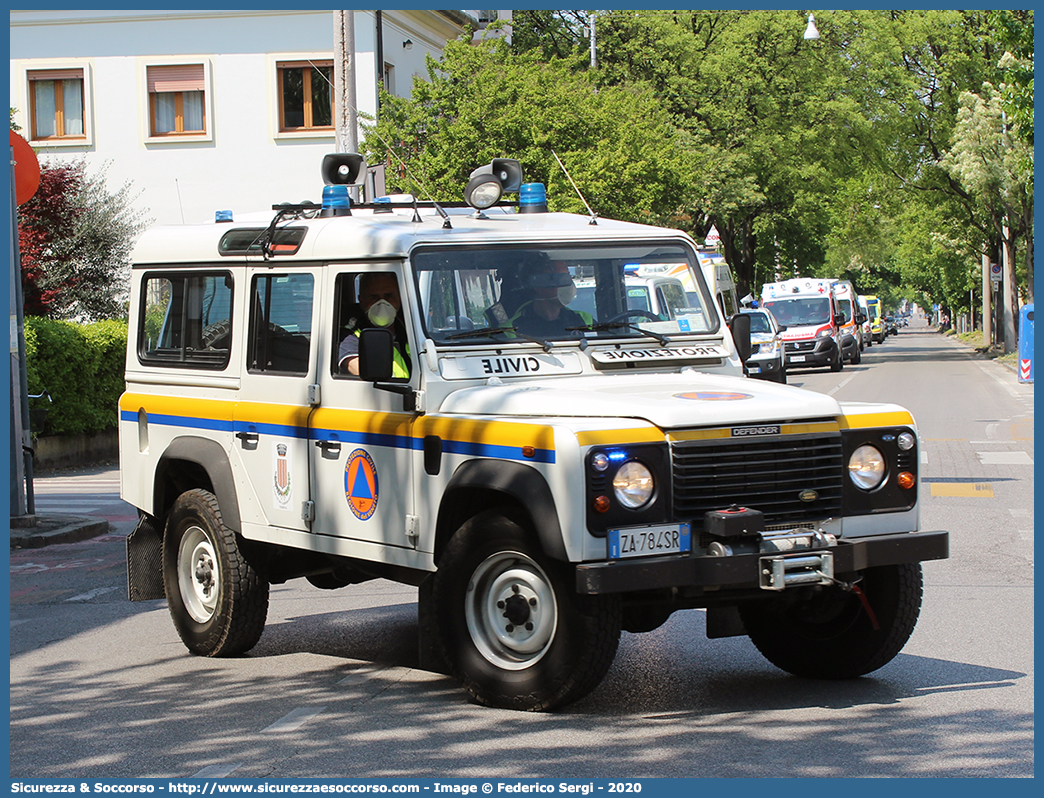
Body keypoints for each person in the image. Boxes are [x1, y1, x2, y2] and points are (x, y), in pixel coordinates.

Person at [338, 273, 411, 378]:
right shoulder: (350, 335)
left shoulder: (411, 329)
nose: (382, 303)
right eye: (374, 297)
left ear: (399, 298)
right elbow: (354, 364)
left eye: (388, 296)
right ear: (362, 302)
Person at [508, 258, 592, 337]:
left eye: (568, 277)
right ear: (538, 285)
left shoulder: (584, 320)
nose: (569, 285)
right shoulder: (510, 330)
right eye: (562, 279)